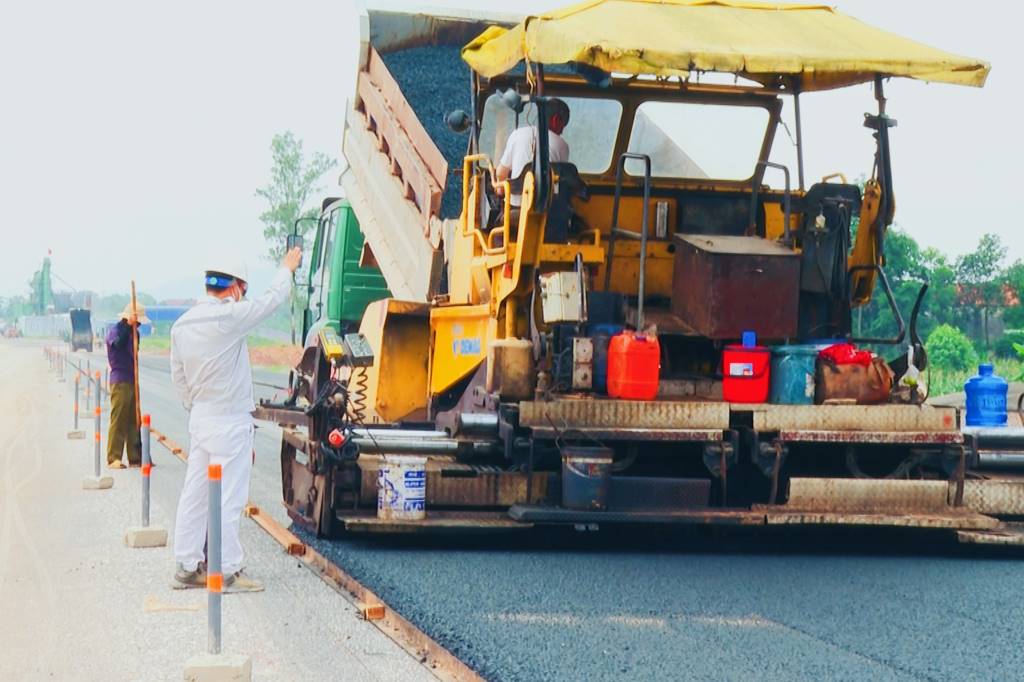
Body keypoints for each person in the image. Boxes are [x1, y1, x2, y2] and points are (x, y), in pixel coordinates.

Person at [169, 247, 302, 592]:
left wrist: (197, 406)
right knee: (229, 497)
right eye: (244, 289)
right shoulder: (229, 317)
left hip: (201, 417)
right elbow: (271, 300)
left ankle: (186, 566)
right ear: (234, 288)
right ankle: (226, 570)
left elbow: (179, 377)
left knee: (195, 494)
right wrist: (286, 269)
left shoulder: (182, 325)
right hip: (229, 421)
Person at [494, 98, 571, 208]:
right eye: (562, 126)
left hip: (514, 209)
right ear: (555, 120)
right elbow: (559, 184)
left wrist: (500, 191)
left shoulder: (517, 134)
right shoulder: (562, 145)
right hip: (545, 211)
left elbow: (500, 173)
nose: (562, 132)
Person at [106, 303, 149, 468]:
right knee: (119, 419)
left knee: (134, 420)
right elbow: (118, 344)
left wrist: (133, 330)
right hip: (120, 380)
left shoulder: (135, 333)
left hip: (132, 379)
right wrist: (128, 327)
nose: (139, 325)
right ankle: (114, 457)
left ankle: (135, 457)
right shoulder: (116, 331)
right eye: (137, 322)